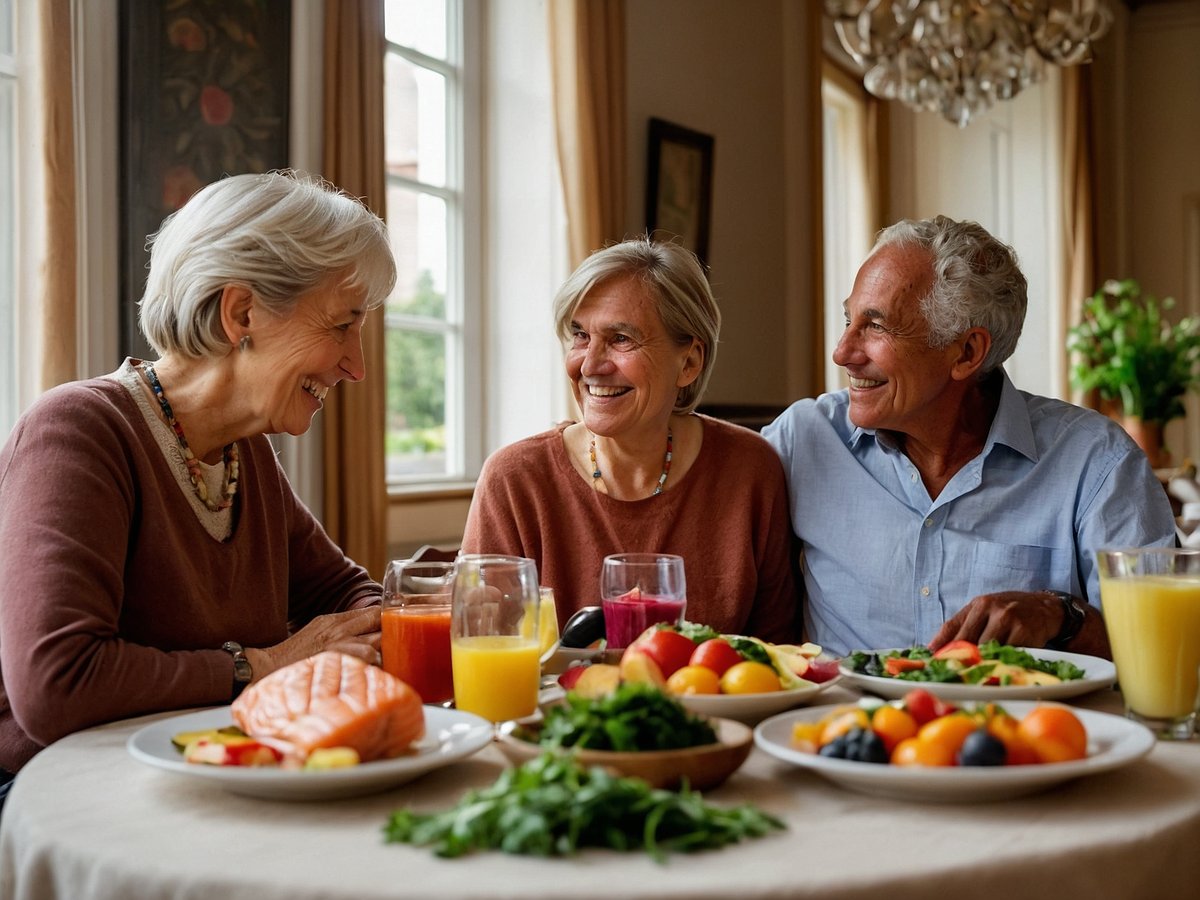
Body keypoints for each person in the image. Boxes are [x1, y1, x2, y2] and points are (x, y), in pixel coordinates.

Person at [0, 171, 397, 804]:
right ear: (242, 312)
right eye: (341, 326)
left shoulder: (244, 454)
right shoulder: (79, 431)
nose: (356, 366)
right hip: (60, 798)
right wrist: (265, 664)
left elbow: (340, 592)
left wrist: (410, 616)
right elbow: (58, 683)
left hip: (206, 776)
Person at [763, 215, 1176, 659]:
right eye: (849, 319)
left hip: (1023, 725)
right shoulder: (804, 440)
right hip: (843, 725)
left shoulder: (1098, 463)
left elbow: (1164, 647)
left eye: (877, 326)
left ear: (966, 352)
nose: (842, 351)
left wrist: (1060, 615)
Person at [461, 237, 796, 642]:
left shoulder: (750, 472)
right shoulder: (515, 481)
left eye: (621, 338)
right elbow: (481, 648)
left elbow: (780, 658)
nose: (590, 364)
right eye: (579, 335)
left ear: (688, 362)